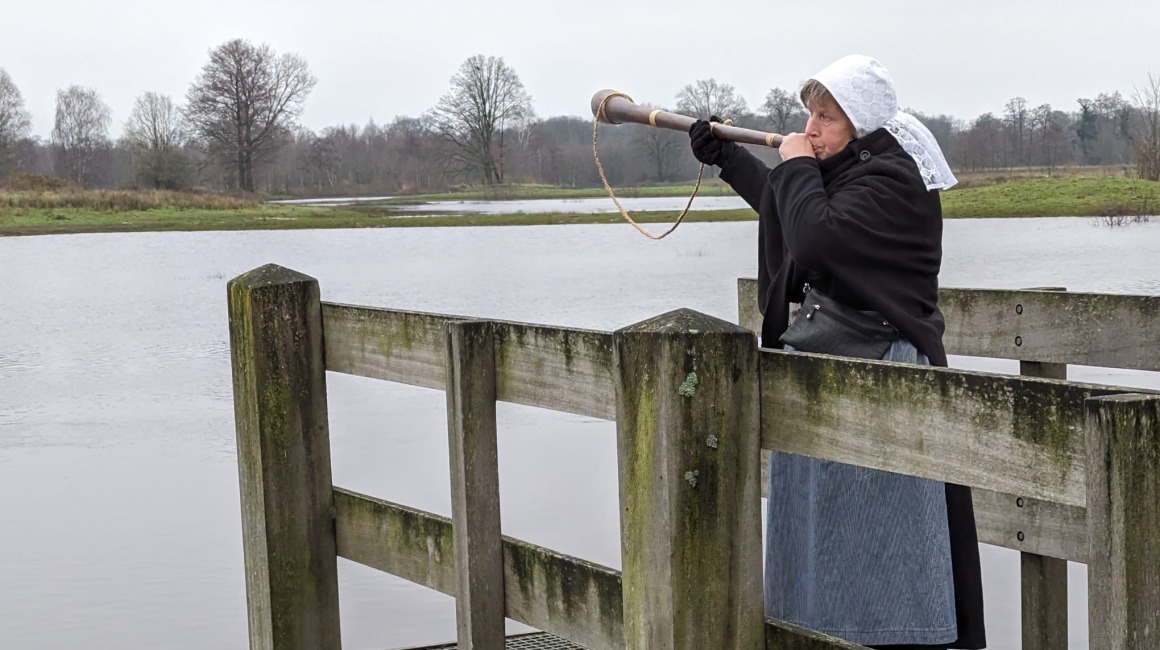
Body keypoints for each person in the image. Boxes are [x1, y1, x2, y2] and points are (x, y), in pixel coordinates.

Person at [688, 55, 986, 649]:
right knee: (821, 548)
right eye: (810, 116)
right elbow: (789, 204)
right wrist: (728, 157)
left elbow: (814, 237)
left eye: (826, 117)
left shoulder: (894, 181)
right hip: (836, 366)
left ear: (862, 124)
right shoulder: (854, 170)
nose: (812, 129)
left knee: (887, 550)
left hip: (887, 379)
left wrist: (797, 162)